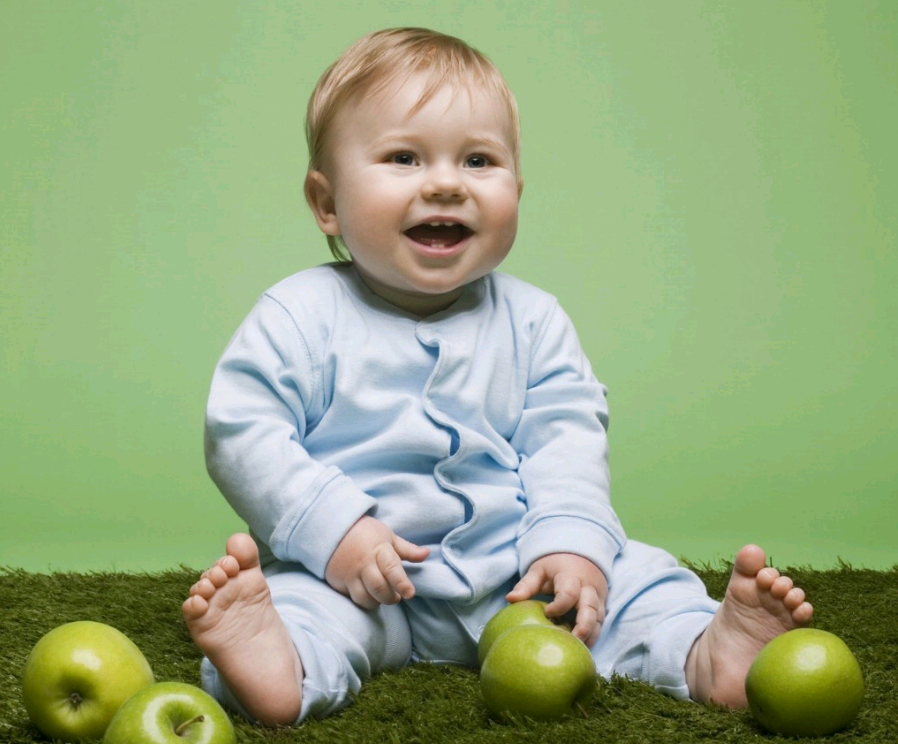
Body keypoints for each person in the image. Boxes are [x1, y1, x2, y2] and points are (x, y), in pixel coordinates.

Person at [182, 27, 813, 726]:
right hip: (361, 584)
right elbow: (243, 433)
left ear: (517, 187)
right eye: (403, 157)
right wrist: (336, 533)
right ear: (326, 202)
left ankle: (706, 649)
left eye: (479, 160)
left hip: (519, 578)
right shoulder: (300, 316)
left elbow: (566, 437)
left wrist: (569, 543)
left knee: (635, 582)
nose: (447, 182)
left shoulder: (533, 320)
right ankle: (277, 665)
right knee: (305, 611)